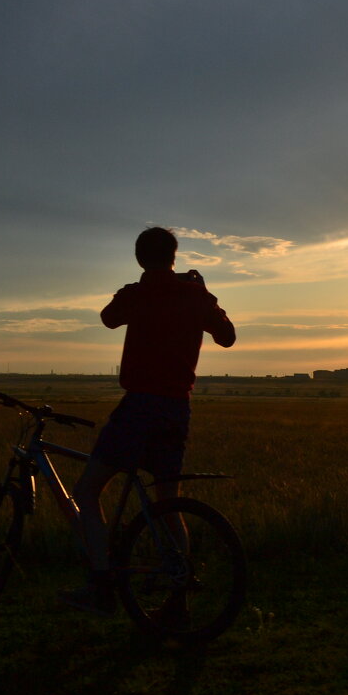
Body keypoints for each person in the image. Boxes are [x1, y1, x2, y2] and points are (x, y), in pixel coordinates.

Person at [59, 226, 236, 617]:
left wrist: (133, 289)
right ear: (175, 257)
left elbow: (108, 319)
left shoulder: (136, 295)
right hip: (176, 409)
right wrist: (204, 293)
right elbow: (227, 337)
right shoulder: (194, 296)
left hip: (138, 406)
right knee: (167, 504)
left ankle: (101, 585)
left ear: (140, 258)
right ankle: (179, 595)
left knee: (88, 492)